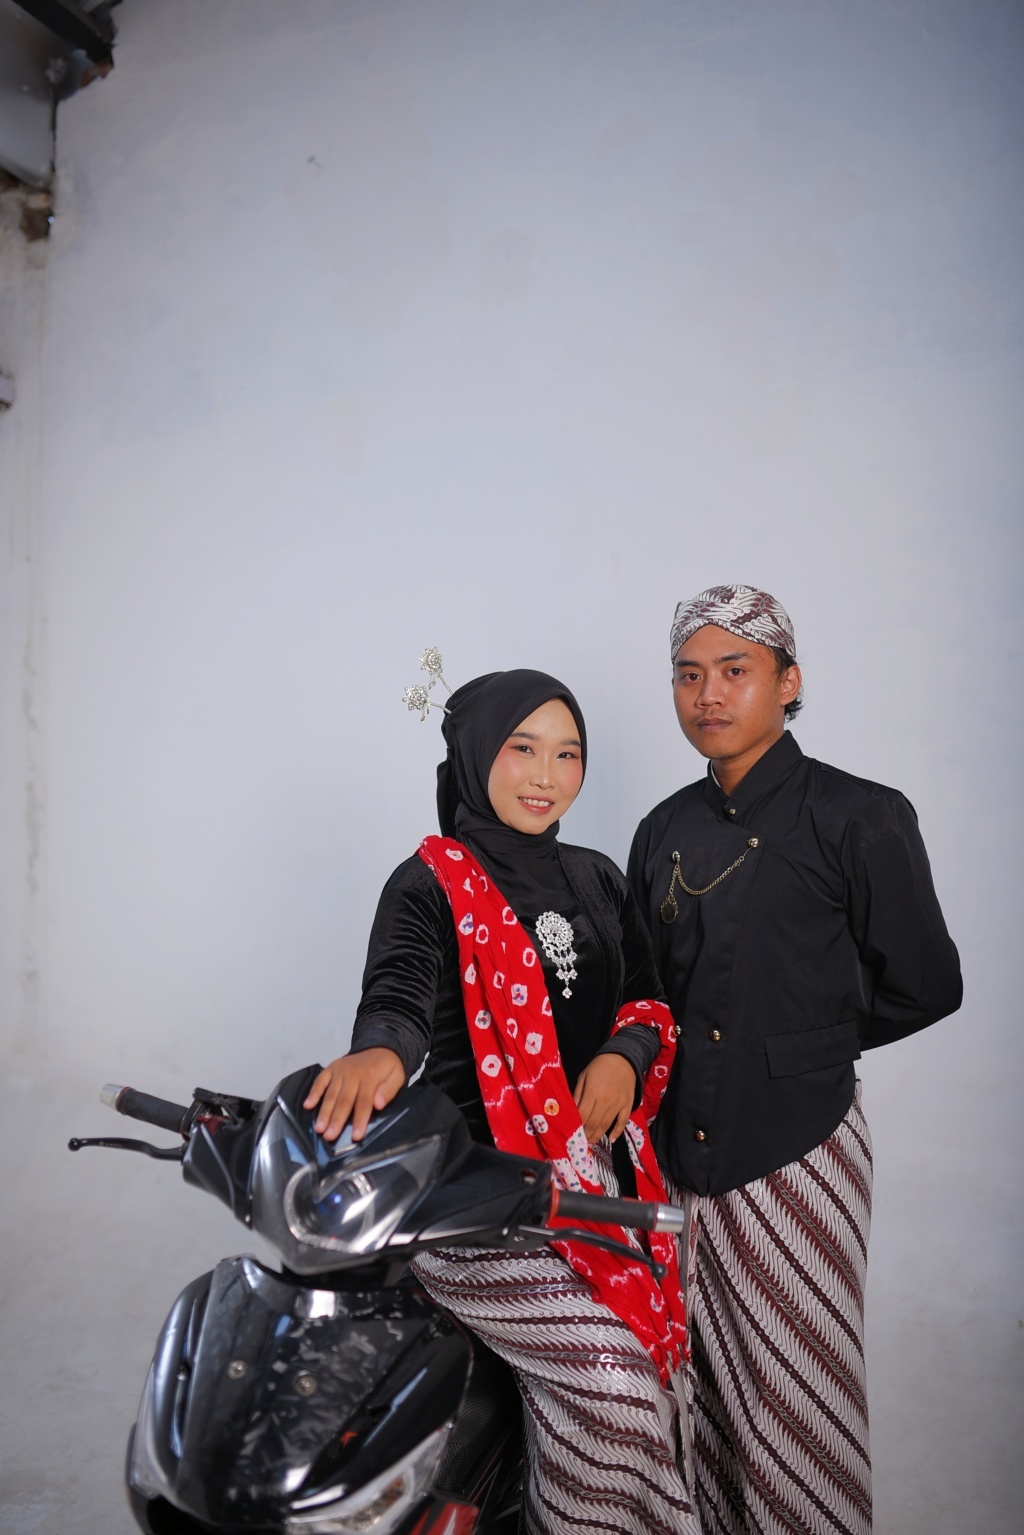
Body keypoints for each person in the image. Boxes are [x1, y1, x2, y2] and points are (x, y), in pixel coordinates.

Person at [305, 667, 702, 1535]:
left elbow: (647, 997)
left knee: (665, 1375)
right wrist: (380, 1050)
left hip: (588, 1189)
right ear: (476, 751)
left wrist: (625, 1056)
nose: (546, 775)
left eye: (568, 754)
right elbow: (400, 993)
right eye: (523, 748)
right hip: (471, 1204)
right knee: (616, 1388)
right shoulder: (429, 882)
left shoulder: (597, 878)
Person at [627, 584, 963, 1535]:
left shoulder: (861, 815)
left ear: (788, 681)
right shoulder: (662, 830)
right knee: (695, 1405)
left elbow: (928, 983)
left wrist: (797, 1046)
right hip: (676, 1164)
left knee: (799, 1410)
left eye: (735, 670)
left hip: (799, 1150)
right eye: (689, 674)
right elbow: (645, 993)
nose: (708, 694)